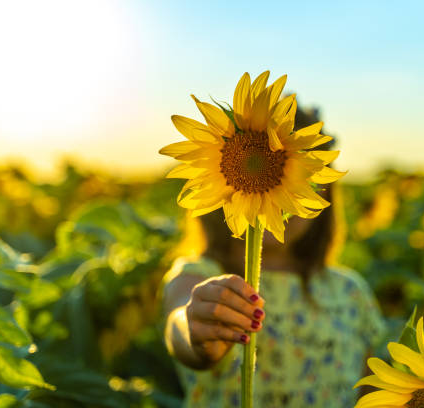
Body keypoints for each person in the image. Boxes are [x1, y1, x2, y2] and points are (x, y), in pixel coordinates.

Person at [161, 108, 385, 407]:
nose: (281, 194)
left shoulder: (350, 291)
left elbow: (370, 392)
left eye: (306, 179)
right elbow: (181, 320)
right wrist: (198, 328)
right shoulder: (201, 275)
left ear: (324, 200)